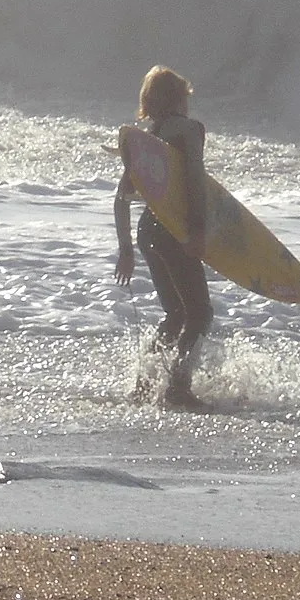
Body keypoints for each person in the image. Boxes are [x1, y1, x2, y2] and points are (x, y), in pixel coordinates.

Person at [114, 65, 212, 408]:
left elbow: (122, 197)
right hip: (176, 232)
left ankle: (144, 384)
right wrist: (197, 231)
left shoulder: (145, 139)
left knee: (175, 314)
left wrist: (125, 248)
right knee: (199, 314)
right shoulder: (189, 130)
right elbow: (195, 183)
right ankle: (177, 387)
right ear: (180, 97)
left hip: (148, 229)